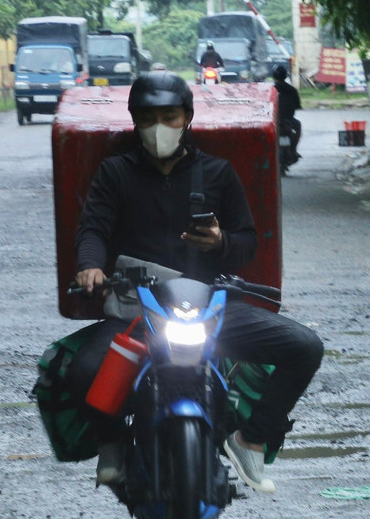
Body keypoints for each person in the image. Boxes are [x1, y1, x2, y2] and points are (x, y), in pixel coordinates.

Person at [70, 71, 323, 494]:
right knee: (84, 368)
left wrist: (222, 242)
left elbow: (247, 242)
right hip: (136, 308)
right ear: (134, 119)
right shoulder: (115, 172)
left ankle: (250, 439)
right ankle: (111, 444)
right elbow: (93, 229)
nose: (158, 127)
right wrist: (91, 265)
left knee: (305, 347)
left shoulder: (217, 173)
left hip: (209, 306)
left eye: (169, 116)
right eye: (148, 117)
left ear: (187, 118)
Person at [272, 64, 302, 159]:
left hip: (276, 121)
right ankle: (293, 150)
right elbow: (298, 105)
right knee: (298, 125)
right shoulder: (292, 90)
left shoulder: (272, 89)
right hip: (288, 120)